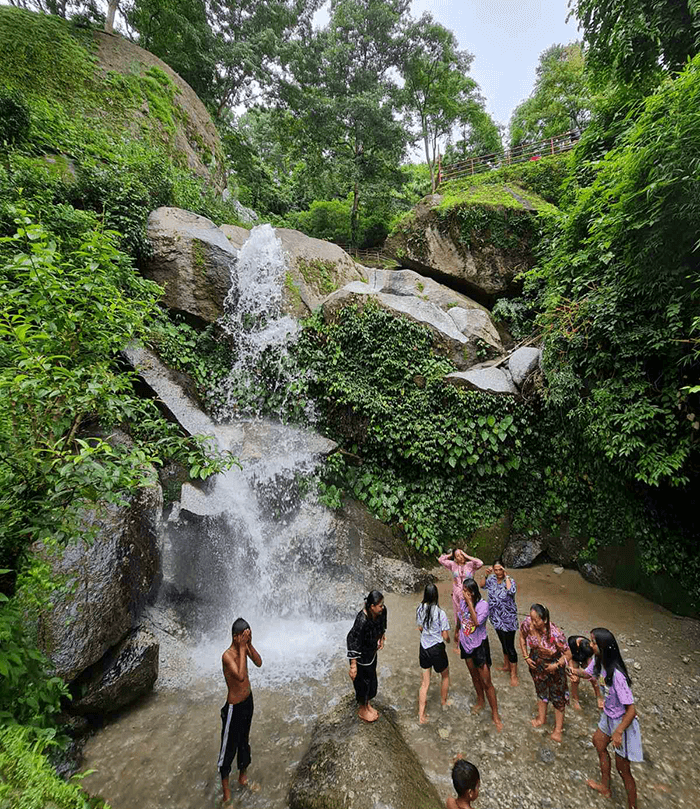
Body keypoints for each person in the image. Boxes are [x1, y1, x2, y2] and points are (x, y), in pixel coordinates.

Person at [569, 628, 643, 808]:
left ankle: (632, 806)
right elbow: (588, 674)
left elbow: (632, 710)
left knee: (623, 770)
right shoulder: (598, 661)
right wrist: (572, 670)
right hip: (608, 716)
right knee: (598, 743)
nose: (590, 645)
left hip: (621, 723)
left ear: (603, 647)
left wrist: (618, 732)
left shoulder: (617, 675)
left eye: (593, 642)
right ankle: (605, 787)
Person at [218, 617, 263, 802]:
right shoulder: (227, 656)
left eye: (249, 635)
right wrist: (243, 649)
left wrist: (249, 646)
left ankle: (243, 776)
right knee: (228, 747)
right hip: (233, 708)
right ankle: (226, 794)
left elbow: (259, 662)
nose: (246, 638)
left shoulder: (244, 648)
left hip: (247, 702)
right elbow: (241, 676)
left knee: (244, 741)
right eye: (244, 636)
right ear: (236, 637)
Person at [519, 603, 572, 742]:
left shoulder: (554, 634)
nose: (532, 622)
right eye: (531, 618)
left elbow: (567, 654)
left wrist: (556, 665)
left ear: (545, 620)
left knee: (558, 697)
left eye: (536, 620)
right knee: (540, 690)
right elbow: (522, 638)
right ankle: (541, 718)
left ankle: (558, 729)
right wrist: (526, 656)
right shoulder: (527, 625)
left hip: (554, 666)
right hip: (537, 663)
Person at [457, 577, 503, 731]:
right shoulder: (462, 603)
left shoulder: (483, 605)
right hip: (465, 643)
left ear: (473, 592)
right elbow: (460, 617)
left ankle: (495, 714)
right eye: (463, 590)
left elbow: (476, 622)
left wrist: (469, 602)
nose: (463, 593)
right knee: (474, 676)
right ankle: (480, 700)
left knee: (486, 681)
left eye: (466, 591)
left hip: (479, 646)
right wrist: (457, 631)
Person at [347, 590, 387, 722]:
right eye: (380, 605)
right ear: (372, 606)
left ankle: (368, 704)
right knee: (362, 683)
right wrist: (353, 665)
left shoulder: (381, 611)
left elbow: (382, 624)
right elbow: (352, 640)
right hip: (360, 657)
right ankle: (362, 709)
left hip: (371, 653)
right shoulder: (361, 620)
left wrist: (381, 637)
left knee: (372, 680)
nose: (382, 607)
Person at [480, 560, 519, 686]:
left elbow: (511, 591)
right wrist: (485, 575)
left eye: (500, 569)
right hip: (496, 617)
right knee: (503, 642)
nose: (498, 572)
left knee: (510, 646)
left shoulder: (510, 580)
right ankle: (506, 665)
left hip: (508, 619)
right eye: (495, 570)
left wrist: (506, 575)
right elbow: (481, 585)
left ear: (504, 569)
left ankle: (514, 674)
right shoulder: (491, 579)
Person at [416, 583, 451, 724]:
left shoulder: (419, 609)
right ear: (436, 595)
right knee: (445, 675)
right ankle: (443, 702)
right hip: (436, 648)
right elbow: (445, 635)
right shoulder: (440, 613)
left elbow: (420, 627)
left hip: (423, 647)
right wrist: (448, 641)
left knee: (425, 683)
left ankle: (421, 716)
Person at [438, 548, 483, 652]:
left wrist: (466, 555)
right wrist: (450, 554)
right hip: (457, 595)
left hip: (470, 595)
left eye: (461, 555)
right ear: (455, 558)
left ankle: (472, 641)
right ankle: (460, 643)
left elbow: (480, 562)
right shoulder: (452, 565)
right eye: (458, 555)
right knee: (458, 616)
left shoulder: (471, 565)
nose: (460, 557)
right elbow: (440, 560)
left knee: (471, 617)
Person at [567, 634, 604, 711]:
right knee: (575, 679)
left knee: (593, 677)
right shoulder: (571, 642)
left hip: (585, 657)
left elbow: (594, 669)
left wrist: (599, 678)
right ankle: (575, 700)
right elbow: (569, 658)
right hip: (574, 658)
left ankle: (599, 697)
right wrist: (572, 672)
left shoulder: (589, 645)